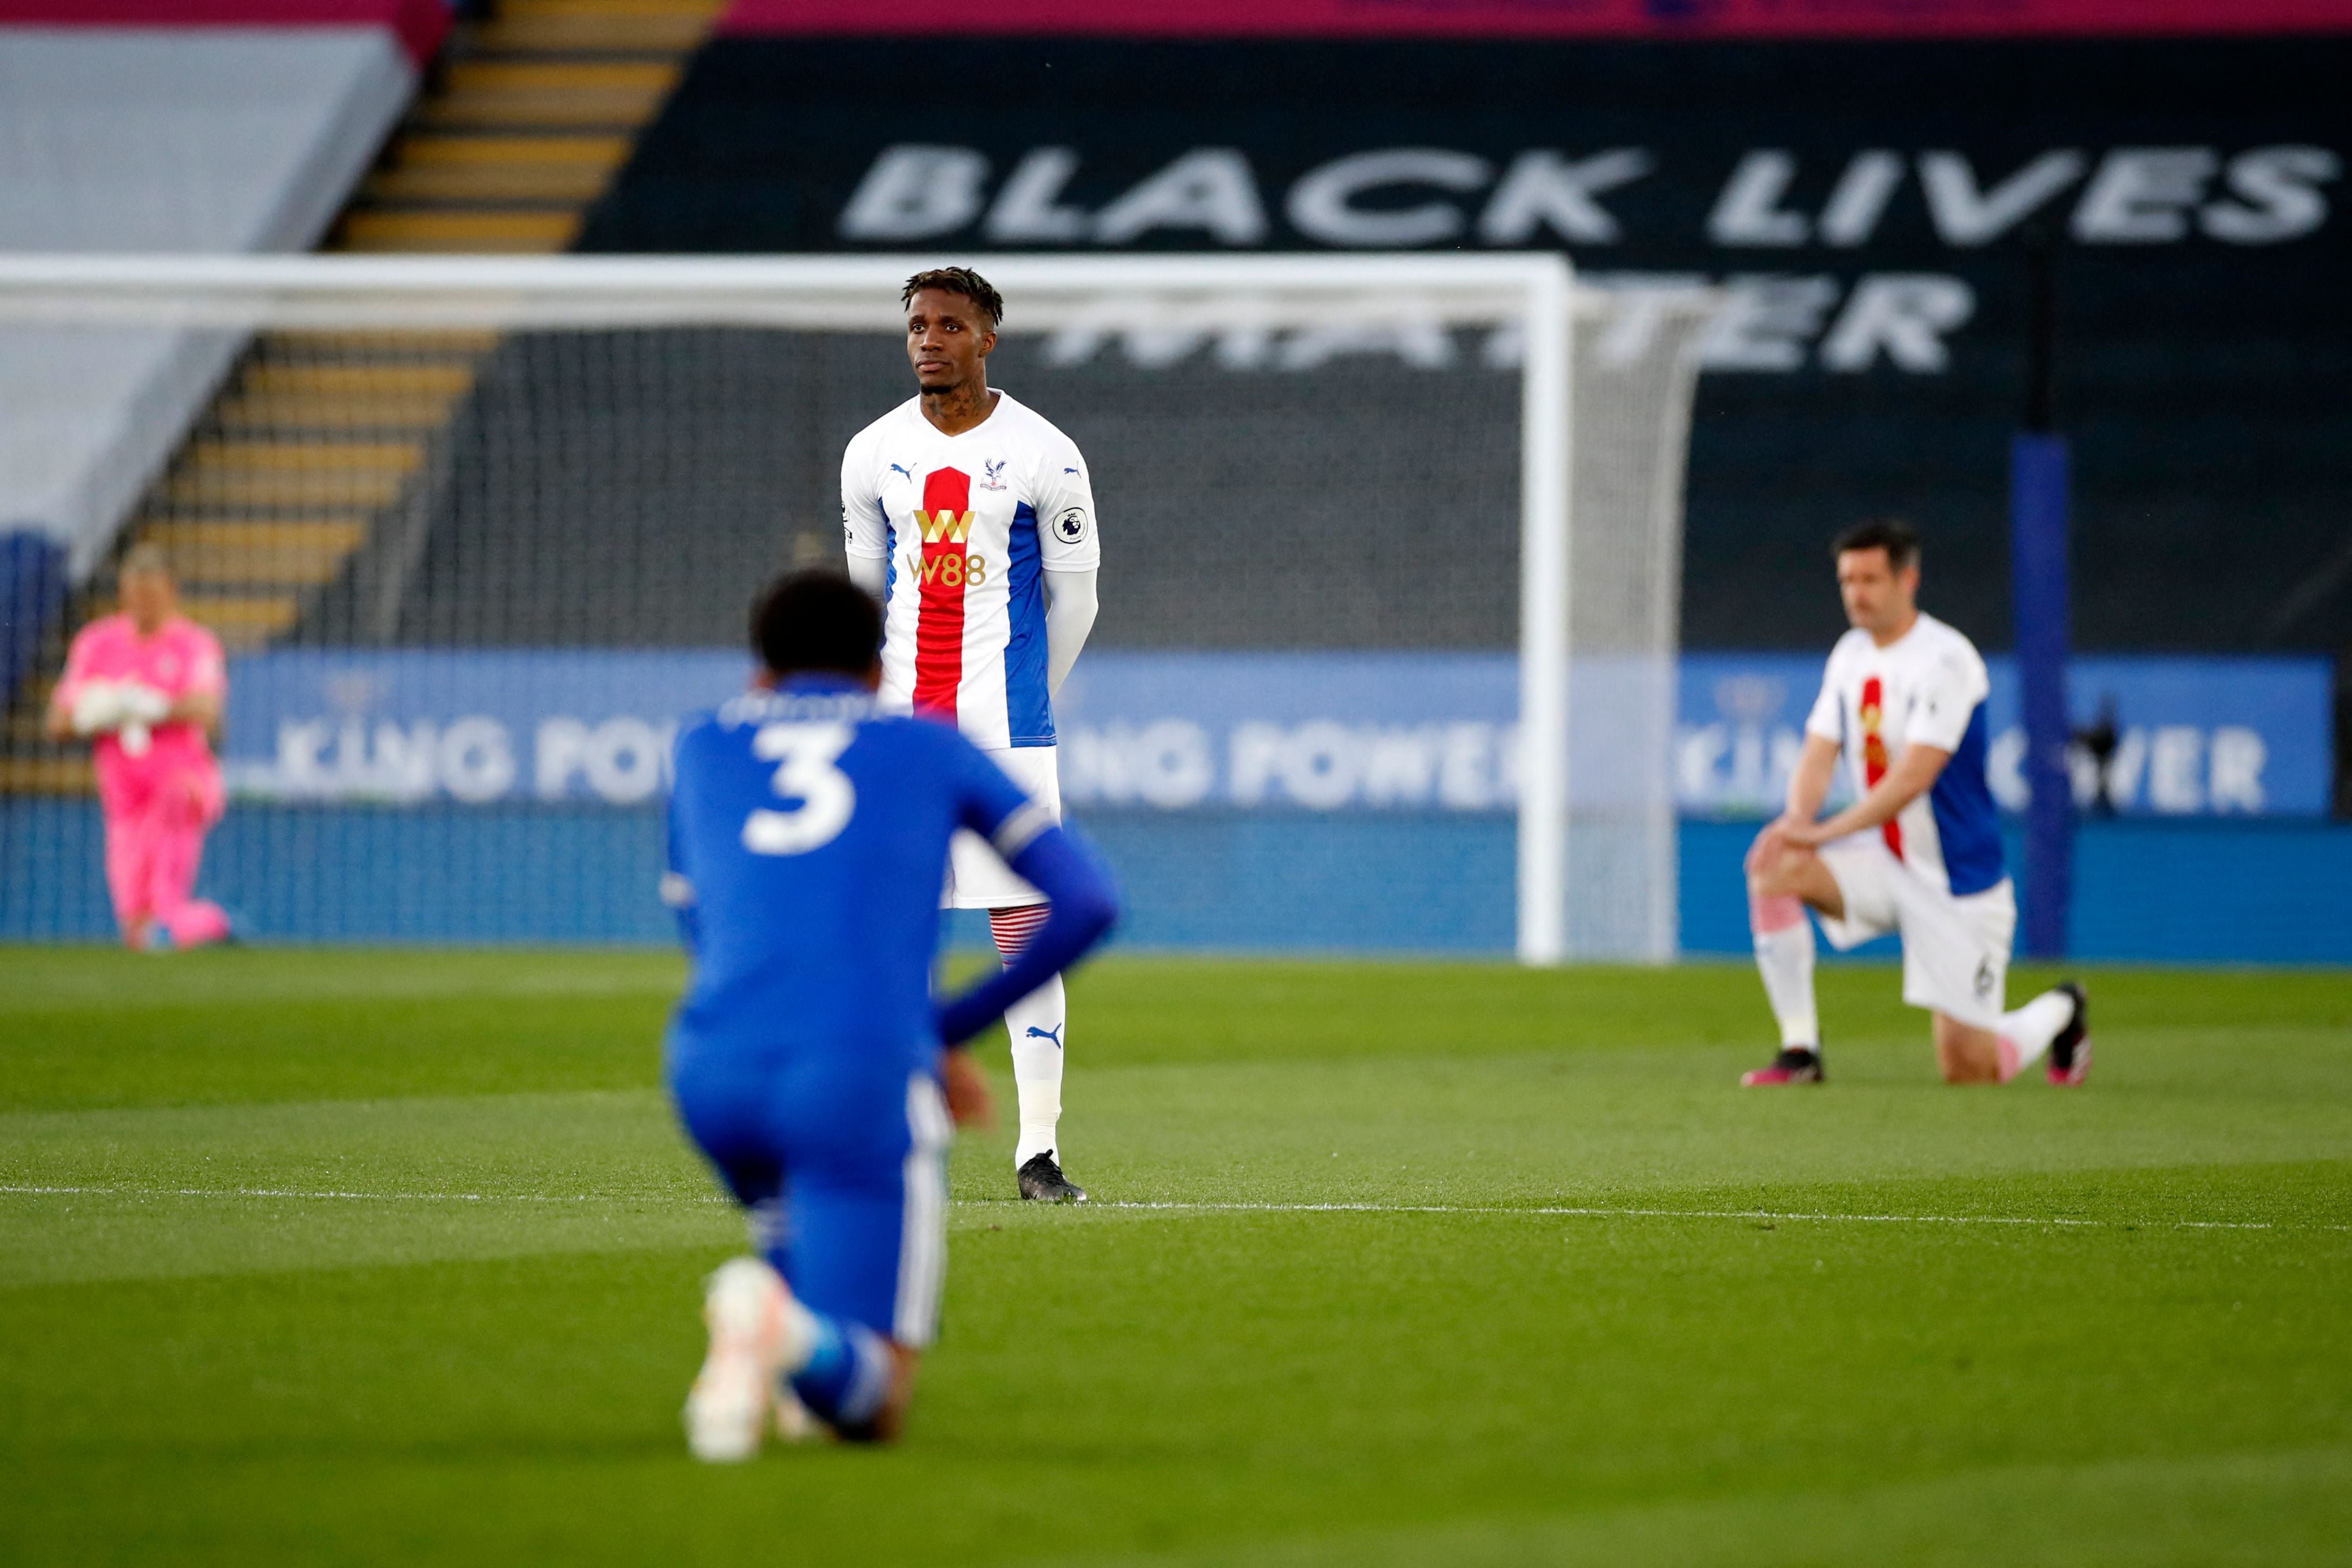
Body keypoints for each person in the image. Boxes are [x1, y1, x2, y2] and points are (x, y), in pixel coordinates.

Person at [663, 570, 1117, 1458]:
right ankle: (778, 1332)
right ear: (880, 668)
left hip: (709, 1066)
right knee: (874, 1405)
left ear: (759, 673)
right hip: (855, 1072)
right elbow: (1087, 901)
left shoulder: (699, 745)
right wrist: (941, 1030)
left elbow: (697, 912)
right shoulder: (925, 746)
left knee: (795, 1234)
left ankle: (763, 1352)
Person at [840, 266, 1103, 1203]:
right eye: (917, 324)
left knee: (1022, 927)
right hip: (902, 731)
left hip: (1007, 734)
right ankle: (877, 1126)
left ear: (988, 337)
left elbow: (1078, 595)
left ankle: (1037, 1150)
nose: (929, 339)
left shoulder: (1044, 452)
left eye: (950, 325)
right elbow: (861, 601)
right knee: (885, 924)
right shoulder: (871, 452)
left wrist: (1034, 697)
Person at [1741, 518, 2089, 1087]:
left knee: (1972, 1071)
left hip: (1957, 885)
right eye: (1848, 579)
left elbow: (1913, 779)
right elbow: (1818, 752)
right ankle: (1800, 1052)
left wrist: (1823, 834)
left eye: (1871, 578)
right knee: (1773, 864)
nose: (1857, 593)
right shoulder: (1851, 654)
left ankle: (2063, 1008)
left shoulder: (1947, 661)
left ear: (1908, 579)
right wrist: (1797, 822)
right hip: (1883, 863)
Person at [44, 544, 233, 951]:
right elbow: (58, 720)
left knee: (161, 899)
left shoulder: (194, 644)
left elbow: (207, 708)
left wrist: (151, 705)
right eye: (133, 595)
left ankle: (178, 922)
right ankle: (210, 926)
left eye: (151, 594)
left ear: (171, 592)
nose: (142, 604)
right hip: (124, 797)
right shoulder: (97, 644)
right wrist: (100, 712)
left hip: (183, 784)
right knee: (135, 925)